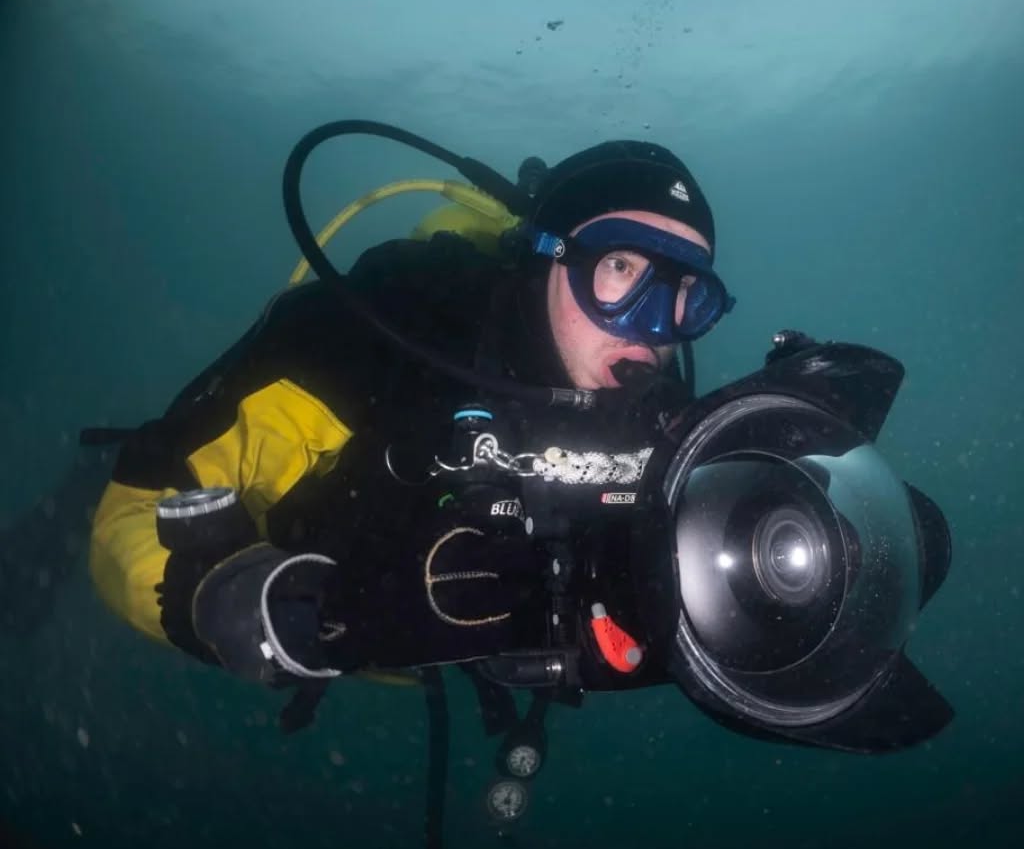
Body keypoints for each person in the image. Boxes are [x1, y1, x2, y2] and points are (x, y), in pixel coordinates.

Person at [87, 138, 733, 689]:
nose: (654, 326)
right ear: (546, 257)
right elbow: (139, 508)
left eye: (683, 293)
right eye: (621, 266)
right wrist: (254, 601)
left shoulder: (659, 409)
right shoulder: (377, 331)